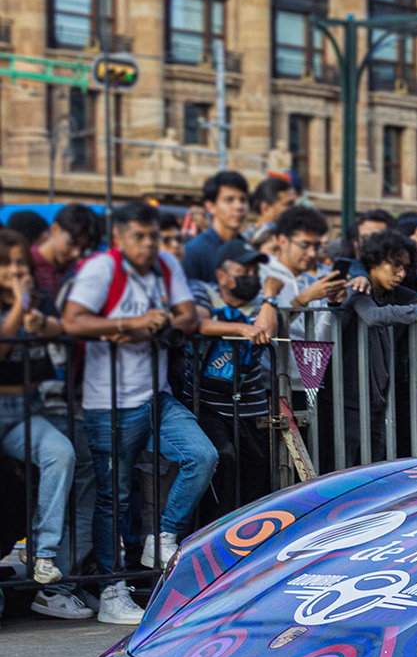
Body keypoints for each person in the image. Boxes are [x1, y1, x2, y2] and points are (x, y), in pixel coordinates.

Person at [60, 203, 216, 623]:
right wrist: (131, 325)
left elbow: (188, 313)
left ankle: (162, 536)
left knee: (201, 456)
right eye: (139, 237)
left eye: (153, 236)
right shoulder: (100, 270)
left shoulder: (165, 265)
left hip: (156, 397)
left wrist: (168, 322)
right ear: (120, 238)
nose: (149, 245)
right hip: (108, 401)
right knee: (114, 497)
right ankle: (112, 593)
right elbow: (72, 321)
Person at [0, 227, 87, 619]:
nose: (16, 270)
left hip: (27, 409)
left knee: (61, 454)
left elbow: (57, 330)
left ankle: (44, 552)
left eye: (21, 262)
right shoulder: (15, 304)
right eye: (6, 264)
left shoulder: (38, 300)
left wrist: (38, 318)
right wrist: (18, 307)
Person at [334, 229, 417, 466]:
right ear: (374, 262)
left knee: (374, 467)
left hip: (379, 398)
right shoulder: (358, 285)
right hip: (346, 399)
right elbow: (372, 315)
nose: (401, 274)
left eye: (405, 267)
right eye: (395, 266)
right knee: (343, 469)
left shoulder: (397, 292)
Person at [190, 241, 279, 510]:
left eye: (255, 269)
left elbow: (265, 331)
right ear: (221, 275)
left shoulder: (260, 304)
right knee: (223, 460)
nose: (251, 275)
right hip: (209, 404)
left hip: (251, 408)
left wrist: (270, 296)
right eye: (244, 269)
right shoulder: (202, 291)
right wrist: (240, 328)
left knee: (256, 473)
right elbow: (199, 322)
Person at [262, 205, 345, 341]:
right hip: (267, 362)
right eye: (304, 245)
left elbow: (320, 342)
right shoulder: (262, 275)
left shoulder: (314, 284)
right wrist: (303, 299)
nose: (312, 253)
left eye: (316, 246)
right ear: (282, 240)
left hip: (305, 362)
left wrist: (332, 304)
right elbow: (262, 330)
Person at [181, 170, 250, 282]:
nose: (239, 207)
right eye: (229, 200)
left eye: (243, 200)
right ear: (210, 207)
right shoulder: (195, 252)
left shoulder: (247, 249)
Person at [30, 204, 96, 299]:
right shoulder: (28, 263)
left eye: (83, 249)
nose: (76, 253)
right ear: (55, 230)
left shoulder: (77, 271)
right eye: (72, 243)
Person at [246, 175, 297, 244]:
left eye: (293, 204)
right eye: (288, 204)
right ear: (266, 208)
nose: (293, 209)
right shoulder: (243, 240)